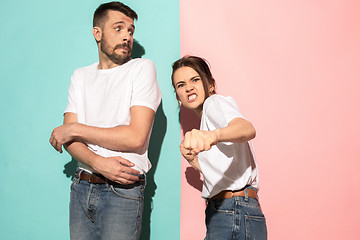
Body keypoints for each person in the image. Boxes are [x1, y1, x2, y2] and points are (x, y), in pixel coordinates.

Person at [49, 2, 161, 239]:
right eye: (118, 28)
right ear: (97, 33)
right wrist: (98, 162)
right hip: (81, 187)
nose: (127, 37)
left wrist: (76, 129)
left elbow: (135, 137)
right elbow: (70, 140)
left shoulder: (142, 69)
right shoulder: (80, 76)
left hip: (122, 189)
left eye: (130, 31)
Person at [171, 56, 267, 240]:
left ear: (211, 85)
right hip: (234, 209)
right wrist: (195, 162)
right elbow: (227, 172)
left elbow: (247, 128)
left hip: (233, 209)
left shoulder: (214, 103)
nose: (189, 87)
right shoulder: (210, 119)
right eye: (180, 85)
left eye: (195, 79)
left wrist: (211, 136)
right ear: (178, 96)